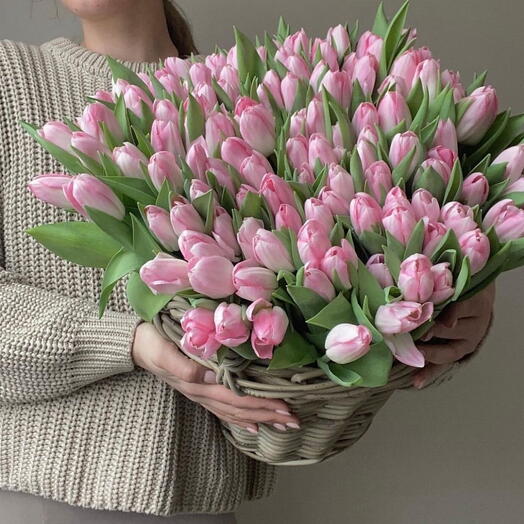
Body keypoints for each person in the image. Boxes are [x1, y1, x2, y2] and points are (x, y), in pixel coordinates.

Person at [0, 0, 494, 522]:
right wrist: (134, 344)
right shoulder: (10, 79)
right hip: (43, 495)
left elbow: (339, 293)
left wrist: (456, 303)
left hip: (208, 504)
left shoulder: (263, 87)